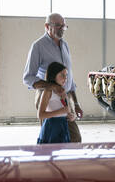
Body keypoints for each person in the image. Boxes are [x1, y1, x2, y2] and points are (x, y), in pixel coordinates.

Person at [23, 13, 83, 142]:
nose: (61, 28)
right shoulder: (38, 46)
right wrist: (52, 86)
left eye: (63, 26)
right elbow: (28, 78)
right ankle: (50, 162)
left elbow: (69, 77)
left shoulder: (65, 45)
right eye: (57, 25)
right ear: (47, 26)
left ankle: (66, 162)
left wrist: (76, 103)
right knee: (51, 140)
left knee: (74, 139)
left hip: (64, 97)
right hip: (47, 97)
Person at [37, 62, 72, 144]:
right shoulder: (48, 91)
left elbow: (64, 110)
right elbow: (40, 115)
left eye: (66, 75)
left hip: (63, 126)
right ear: (53, 75)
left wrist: (69, 116)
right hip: (51, 128)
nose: (65, 78)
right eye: (62, 75)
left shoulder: (63, 91)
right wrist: (61, 111)